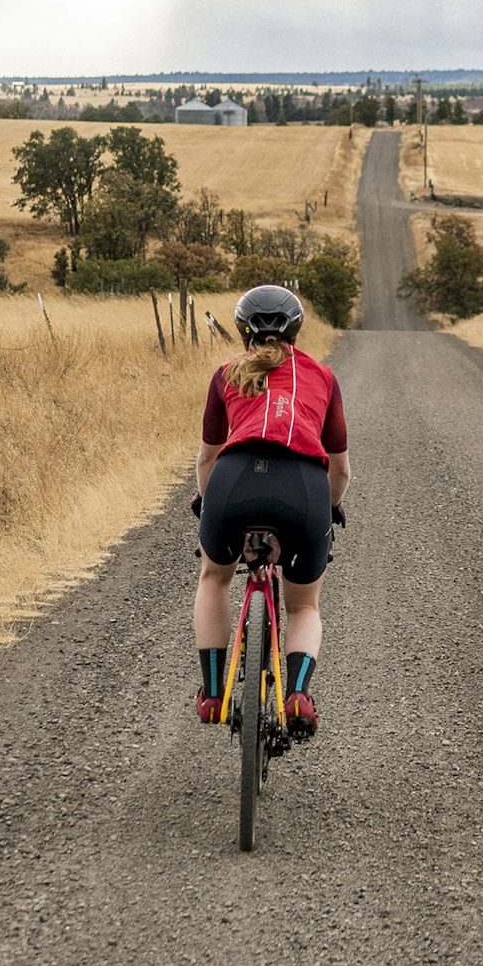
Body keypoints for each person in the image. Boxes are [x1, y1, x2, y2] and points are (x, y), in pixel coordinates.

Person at [192, 284, 349, 741]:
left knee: (214, 578)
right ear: (296, 331)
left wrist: (208, 503)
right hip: (303, 490)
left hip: (233, 482)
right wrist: (332, 506)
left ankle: (216, 693)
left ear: (242, 331)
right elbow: (339, 469)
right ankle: (297, 693)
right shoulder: (322, 376)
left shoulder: (226, 374)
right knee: (303, 605)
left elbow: (207, 459)